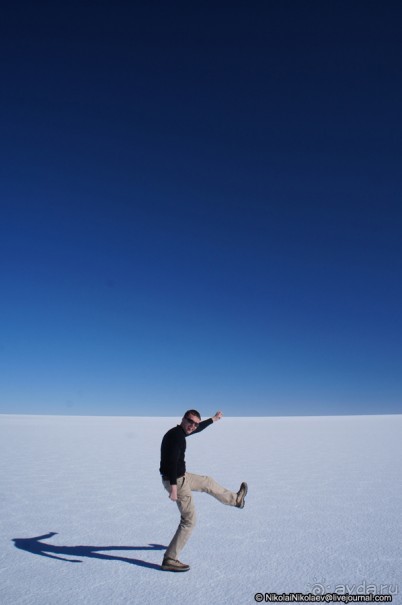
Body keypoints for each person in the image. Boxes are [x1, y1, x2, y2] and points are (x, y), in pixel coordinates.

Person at [159, 409, 248, 572]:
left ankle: (236, 500)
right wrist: (173, 488)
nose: (193, 426)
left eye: (195, 423)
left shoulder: (180, 431)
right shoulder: (176, 437)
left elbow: (198, 428)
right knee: (189, 521)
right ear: (183, 419)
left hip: (181, 476)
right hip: (176, 481)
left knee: (207, 481)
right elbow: (171, 462)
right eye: (190, 422)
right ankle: (170, 559)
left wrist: (213, 419)